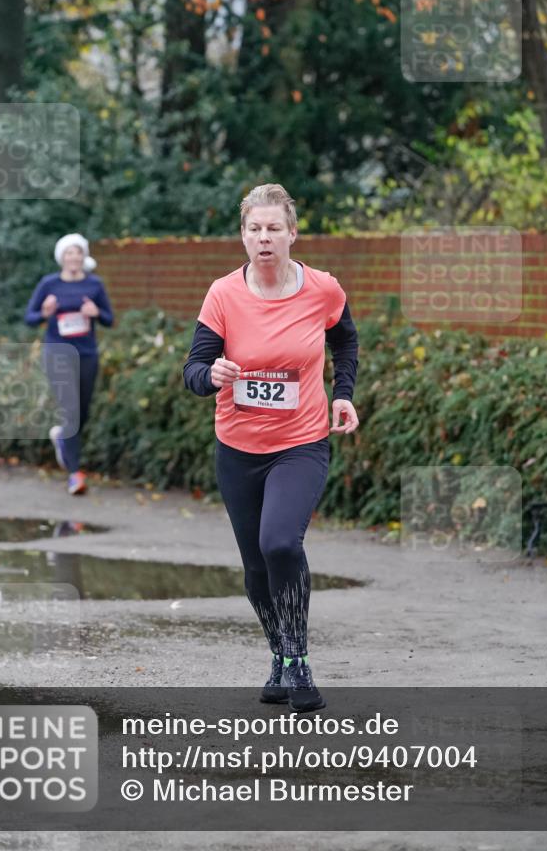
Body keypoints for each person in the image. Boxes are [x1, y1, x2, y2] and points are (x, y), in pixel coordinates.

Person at [183, 183, 359, 713]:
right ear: (243, 236)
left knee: (280, 543)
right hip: (237, 447)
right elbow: (193, 370)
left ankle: (299, 659)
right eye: (254, 229)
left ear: (292, 233)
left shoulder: (322, 288)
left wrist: (343, 394)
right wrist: (211, 374)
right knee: (256, 566)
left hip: (300, 443)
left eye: (274, 228)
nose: (264, 238)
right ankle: (280, 654)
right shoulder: (223, 294)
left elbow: (345, 339)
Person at [24, 234, 114, 495]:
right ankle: (75, 474)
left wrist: (97, 314)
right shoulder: (48, 284)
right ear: (61, 257)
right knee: (71, 411)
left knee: (82, 412)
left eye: (77, 253)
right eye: (68, 253)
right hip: (57, 353)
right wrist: (44, 312)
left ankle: (62, 436)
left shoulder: (94, 284)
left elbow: (110, 319)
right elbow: (29, 318)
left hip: (87, 353)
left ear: (83, 256)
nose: (73, 257)